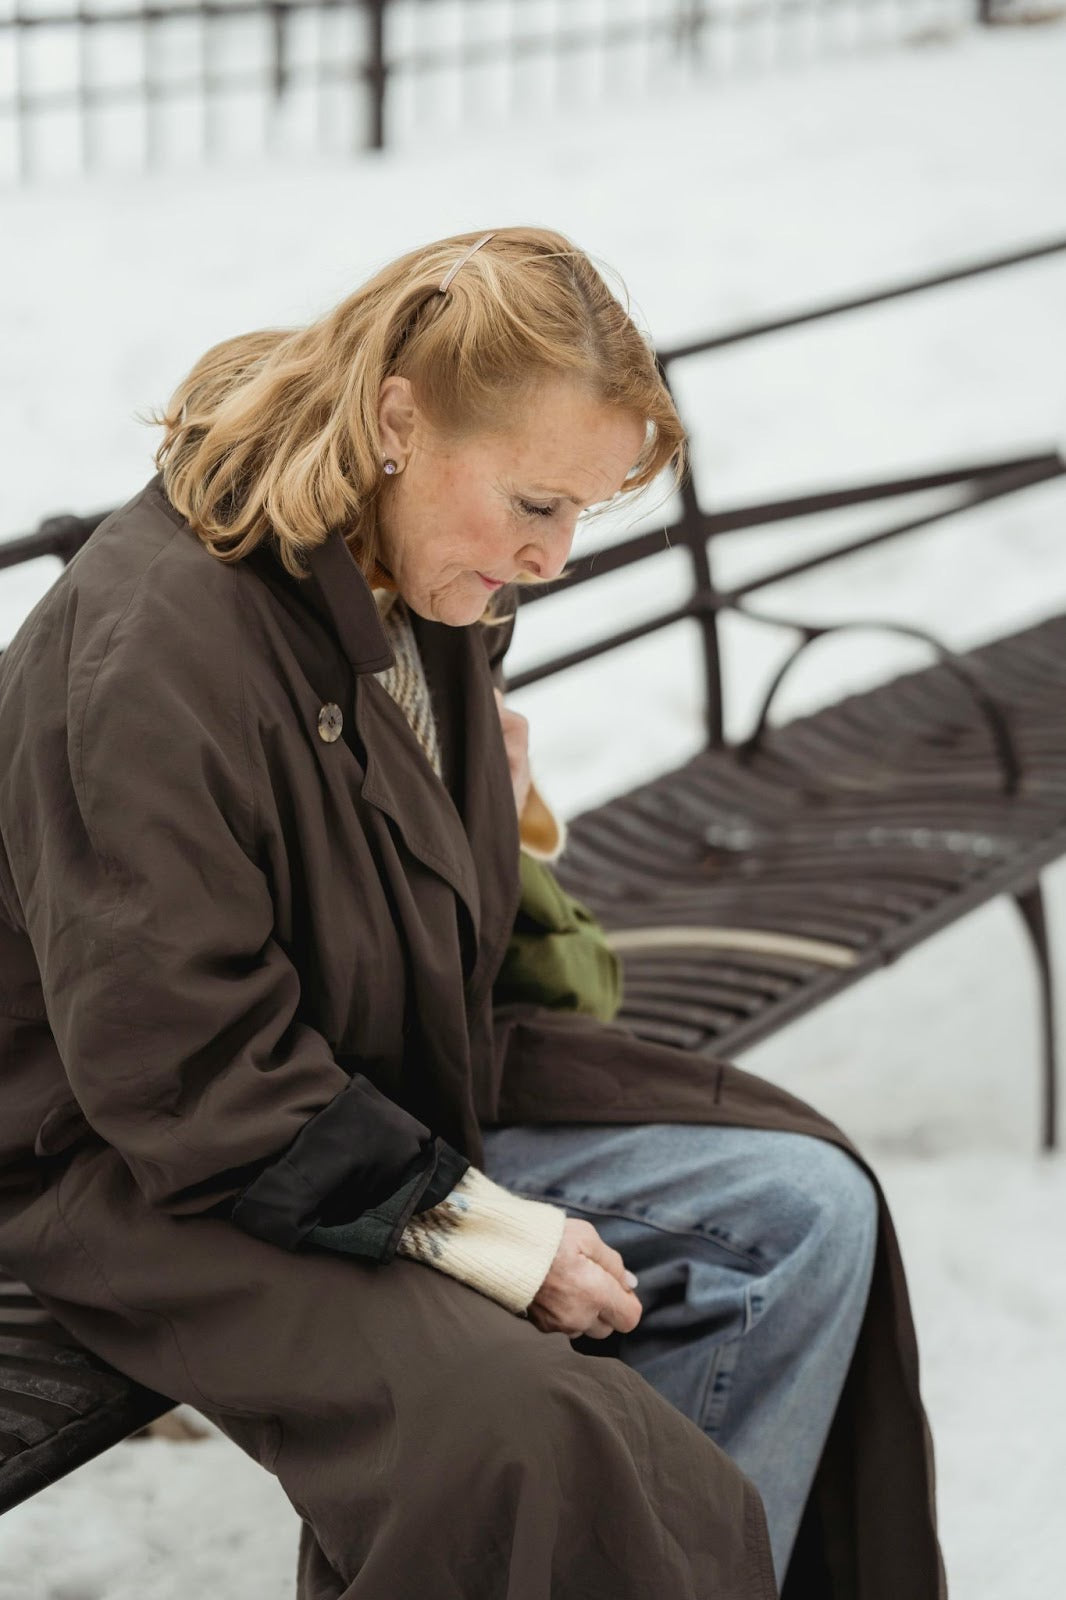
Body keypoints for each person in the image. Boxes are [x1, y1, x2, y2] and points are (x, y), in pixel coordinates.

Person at [0, 227, 945, 1599]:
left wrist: (485, 805)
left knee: (798, 1212)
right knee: (525, 1435)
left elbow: (383, 876)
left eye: (580, 515)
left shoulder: (413, 574)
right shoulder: (160, 640)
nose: (554, 556)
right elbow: (181, 1067)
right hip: (140, 1172)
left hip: (380, 1077)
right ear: (397, 419)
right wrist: (488, 1235)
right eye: (537, 504)